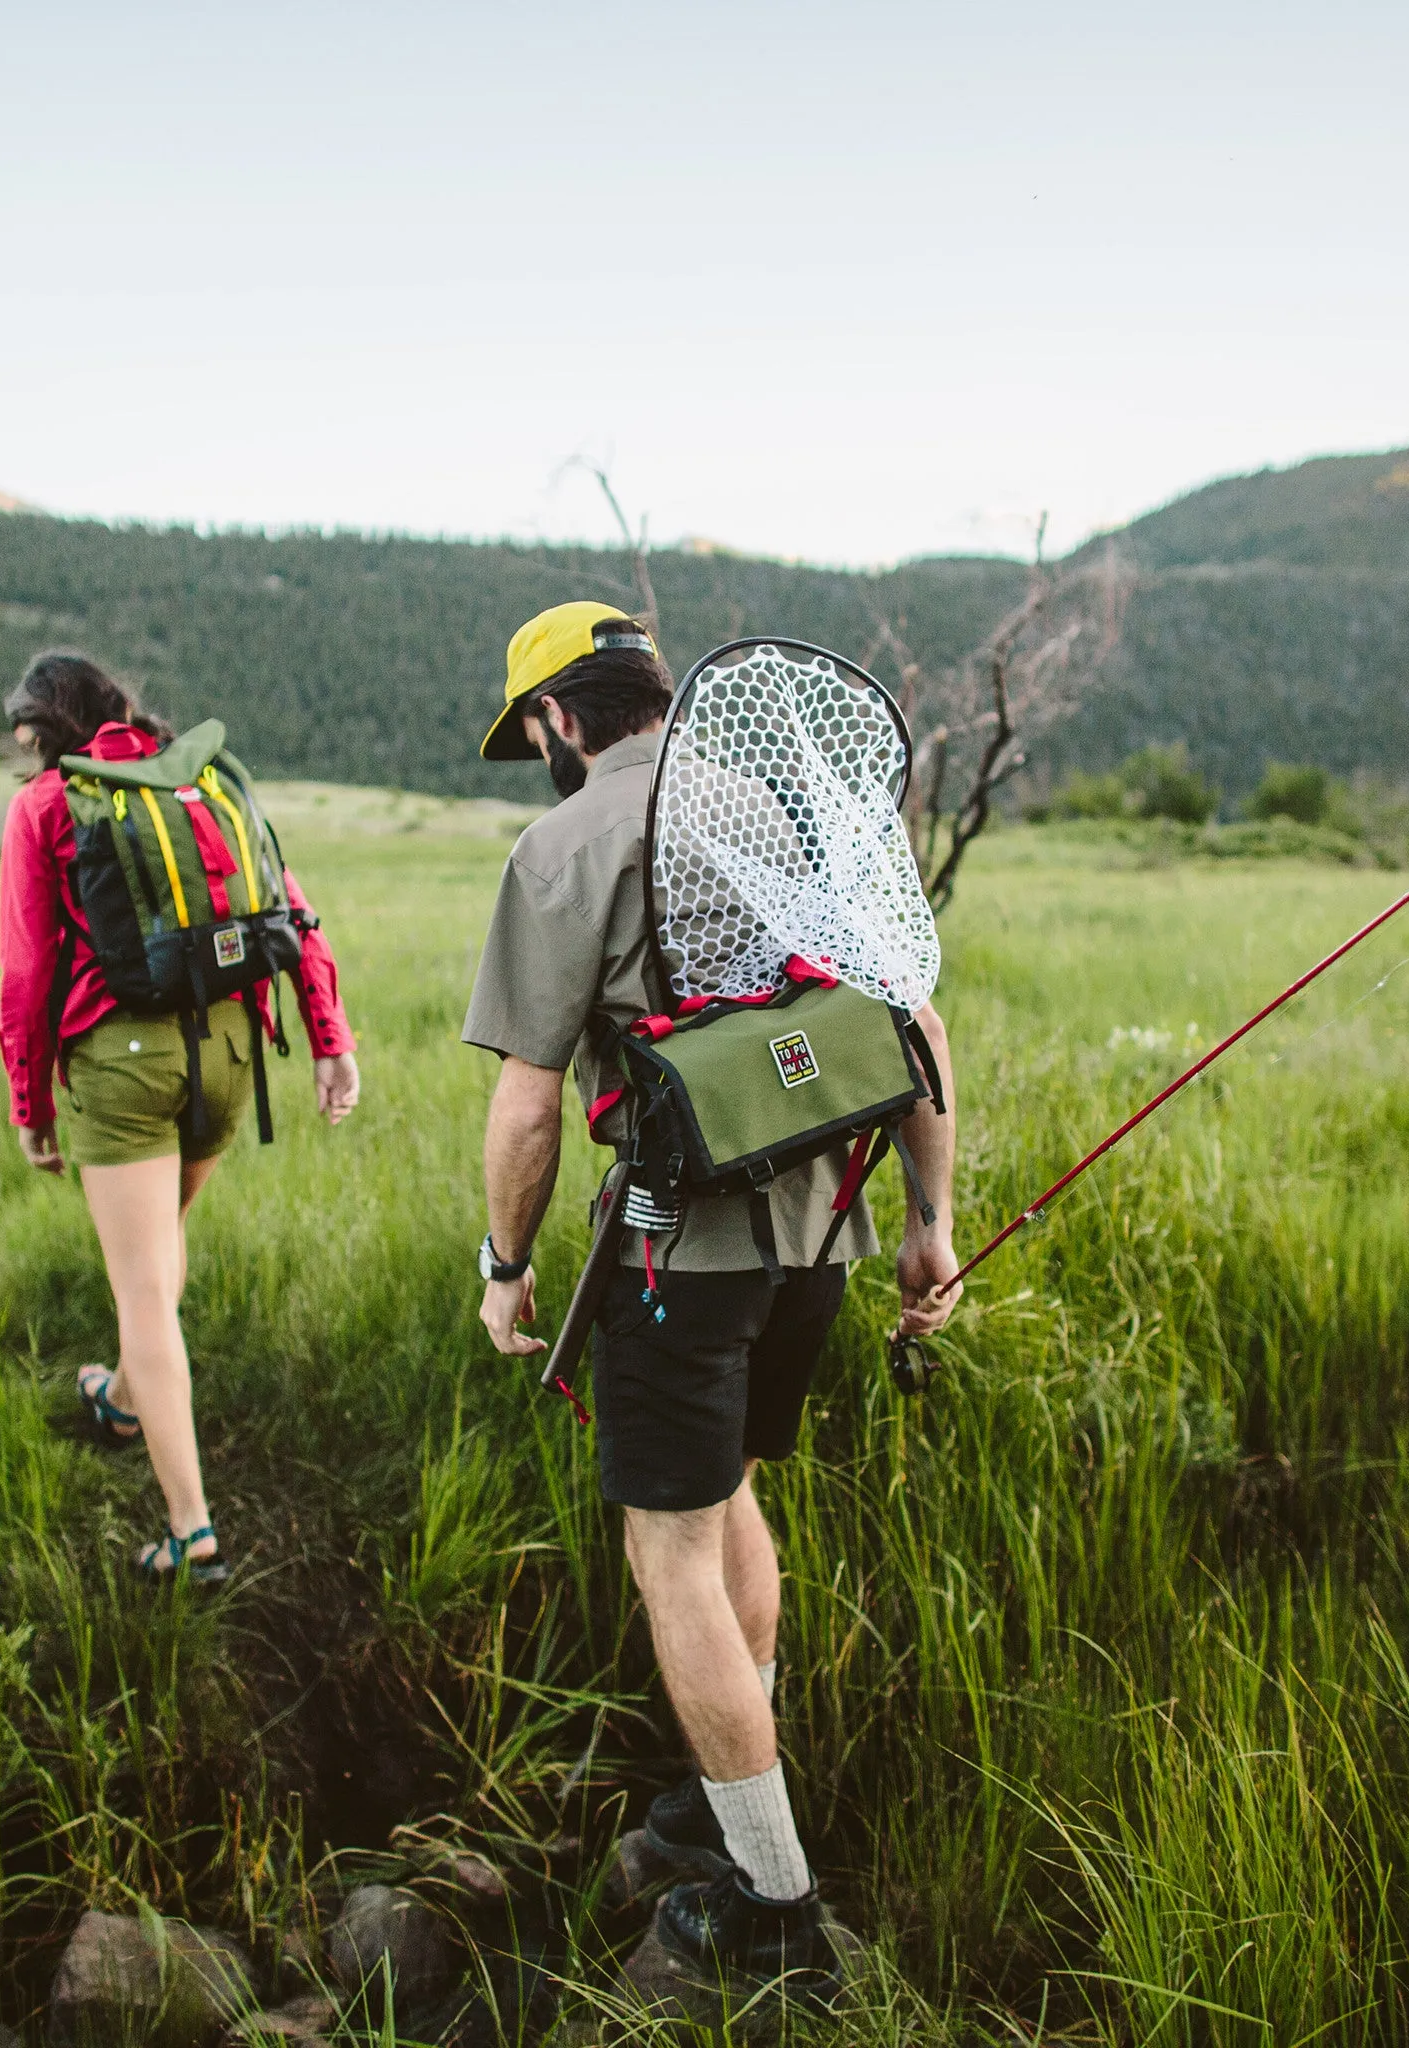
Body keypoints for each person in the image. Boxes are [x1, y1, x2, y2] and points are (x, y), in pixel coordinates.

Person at [461, 603, 958, 1999]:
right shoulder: (799, 803)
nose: (539, 756)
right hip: (829, 1239)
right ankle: (722, 1795)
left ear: (561, 719)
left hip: (679, 1260)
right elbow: (912, 1027)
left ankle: (777, 1903)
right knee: (729, 1494)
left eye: (534, 734)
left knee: (670, 1552)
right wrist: (931, 1226)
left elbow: (527, 1106)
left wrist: (507, 1269)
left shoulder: (563, 845)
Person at [0, 650, 361, 1584]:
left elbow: (29, 971)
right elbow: (293, 906)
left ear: (46, 727)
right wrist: (331, 1039)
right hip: (234, 1048)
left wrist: (29, 1099)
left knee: (143, 1292)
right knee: (157, 1259)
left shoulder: (47, 803)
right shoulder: (202, 778)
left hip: (123, 1062)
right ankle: (122, 1397)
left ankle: (192, 1532)